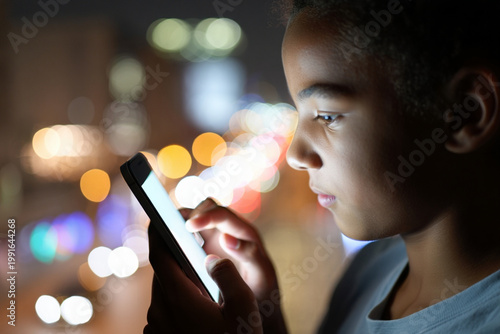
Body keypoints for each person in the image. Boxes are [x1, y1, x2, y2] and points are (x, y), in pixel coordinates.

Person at [144, 0, 500, 333]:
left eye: (328, 116)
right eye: (299, 116)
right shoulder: (373, 268)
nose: (296, 155)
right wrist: (263, 313)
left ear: (465, 112)